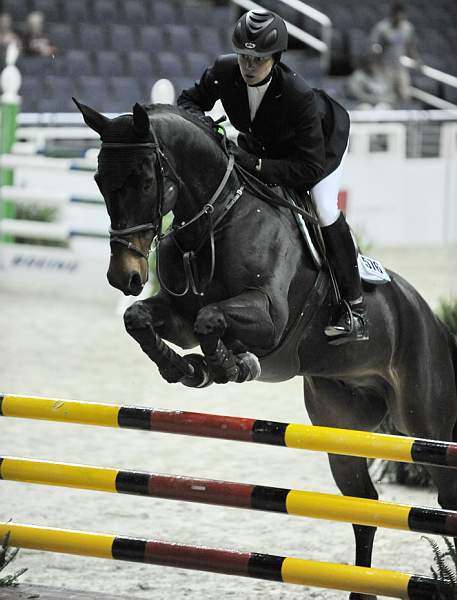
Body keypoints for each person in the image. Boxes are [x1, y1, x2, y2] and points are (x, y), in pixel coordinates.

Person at [177, 9, 368, 344]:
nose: (249, 66)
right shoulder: (224, 71)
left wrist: (257, 164)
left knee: (324, 208)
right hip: (264, 144)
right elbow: (189, 101)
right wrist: (208, 130)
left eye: (258, 59)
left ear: (276, 58)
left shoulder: (298, 95)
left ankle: (354, 308)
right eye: (244, 57)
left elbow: (307, 169)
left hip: (318, 149)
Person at [369, 1, 420, 104]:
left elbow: (411, 46)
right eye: (397, 16)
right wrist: (376, 53)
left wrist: (417, 59)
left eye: (401, 16)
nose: (399, 19)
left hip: (401, 67)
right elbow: (374, 46)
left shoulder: (407, 28)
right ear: (392, 14)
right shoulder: (382, 27)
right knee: (388, 97)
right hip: (386, 67)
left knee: (405, 95)